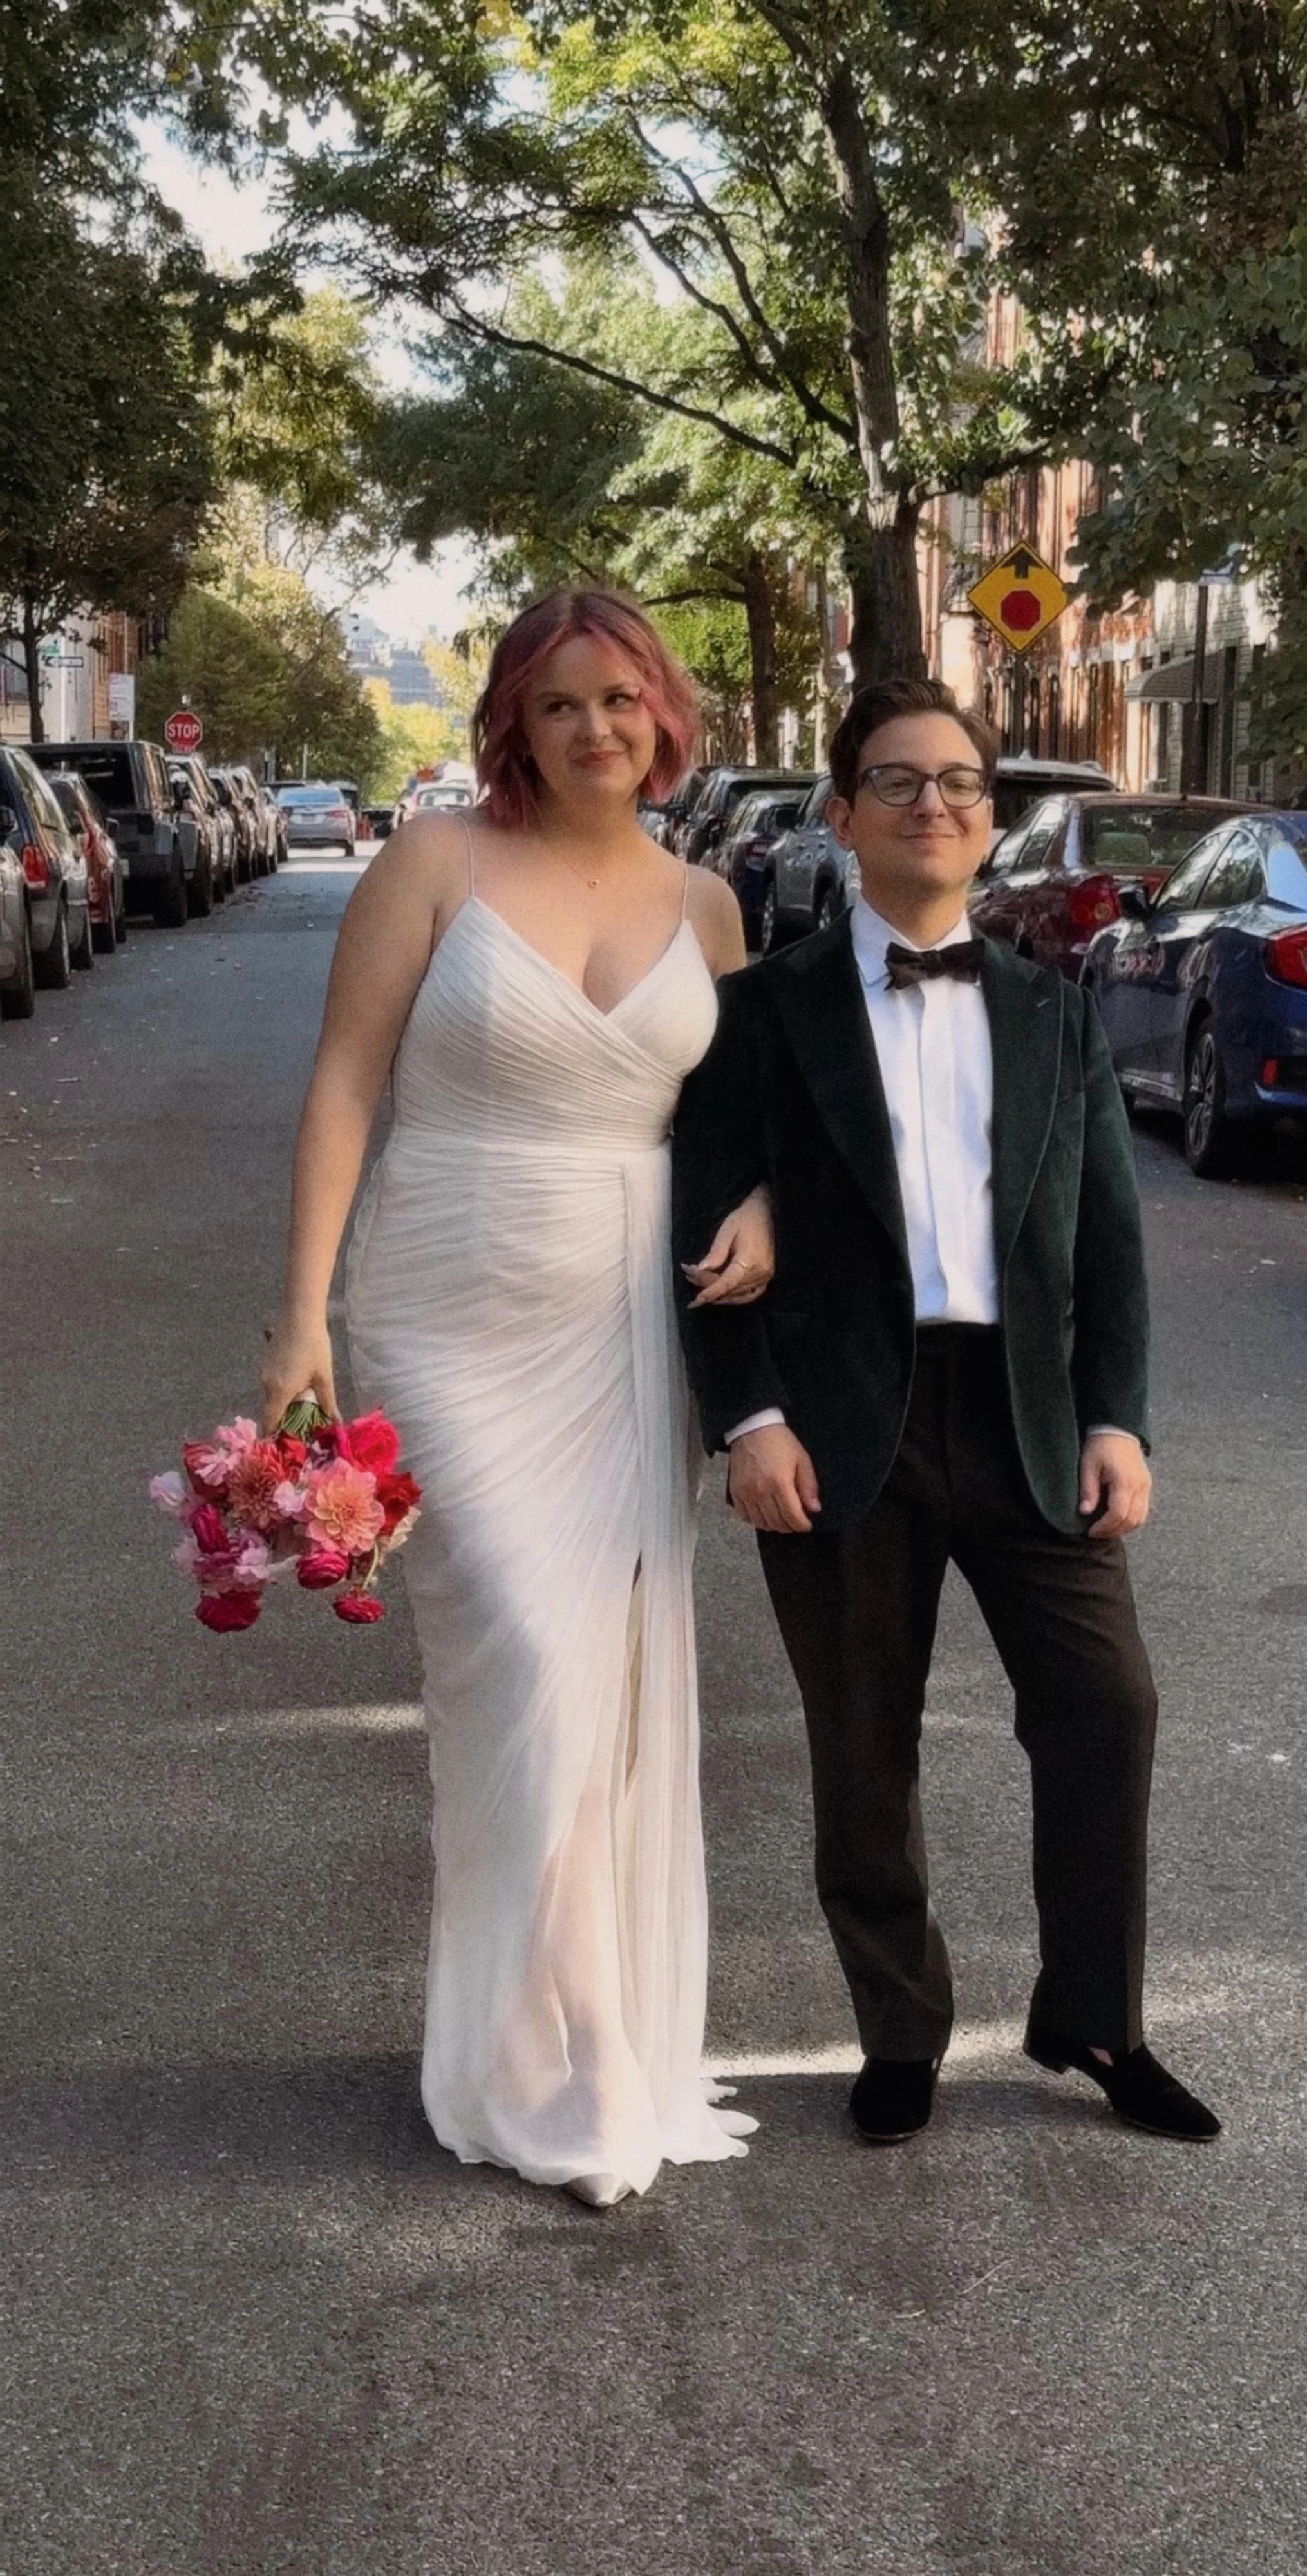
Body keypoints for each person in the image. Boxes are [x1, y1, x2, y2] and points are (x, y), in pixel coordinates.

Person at [263, 587, 769, 2206]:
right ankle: (583, 2056)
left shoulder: (710, 902)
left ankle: (567, 2027)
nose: (595, 728)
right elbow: (346, 1076)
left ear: (663, 716)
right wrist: (301, 1318)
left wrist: (759, 1209)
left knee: (605, 1674)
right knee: (529, 1661)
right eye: (560, 705)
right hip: (445, 1302)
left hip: (626, 1322)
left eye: (619, 700)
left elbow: (737, 1121)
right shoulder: (435, 865)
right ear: (514, 724)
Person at [672, 676, 1219, 2147]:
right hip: (841, 1418)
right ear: (841, 813)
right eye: (899, 781)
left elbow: (1107, 1232)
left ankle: (1094, 2019)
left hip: (1024, 1412)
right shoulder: (757, 1012)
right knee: (864, 1742)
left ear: (991, 819)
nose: (936, 804)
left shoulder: (1052, 1006)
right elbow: (700, 1235)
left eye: (962, 783)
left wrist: (1119, 1417)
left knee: (1104, 1708)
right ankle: (898, 2025)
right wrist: (749, 1420)